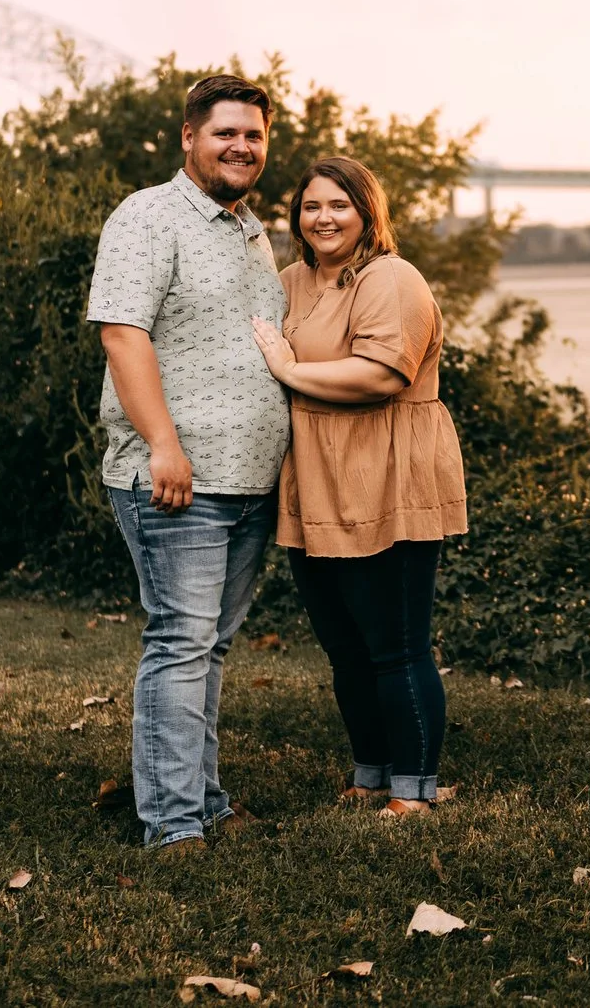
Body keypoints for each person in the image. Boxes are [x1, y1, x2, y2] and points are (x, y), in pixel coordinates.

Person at [85, 73, 290, 851]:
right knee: (180, 641)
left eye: (254, 136)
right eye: (225, 133)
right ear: (188, 137)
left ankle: (205, 801)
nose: (241, 146)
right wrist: (165, 443)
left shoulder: (249, 228)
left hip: (250, 481)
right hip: (178, 479)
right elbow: (122, 334)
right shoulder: (149, 215)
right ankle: (170, 825)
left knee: (209, 645)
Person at [249, 156, 466, 817]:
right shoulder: (290, 279)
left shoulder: (389, 277)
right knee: (345, 648)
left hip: (385, 471)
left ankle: (414, 792)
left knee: (395, 644)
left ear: (368, 211)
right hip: (315, 479)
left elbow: (380, 374)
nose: (323, 218)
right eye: (311, 206)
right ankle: (369, 774)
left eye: (338, 204)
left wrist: (288, 370)